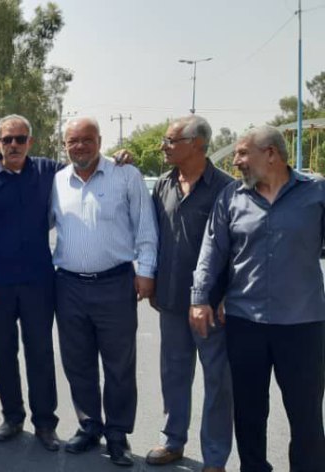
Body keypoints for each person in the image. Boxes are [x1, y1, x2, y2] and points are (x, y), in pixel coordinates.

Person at [192, 125, 325, 472]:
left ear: (270, 154)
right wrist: (200, 297)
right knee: (249, 412)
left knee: (306, 414)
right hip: (245, 322)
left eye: (242, 153)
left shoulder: (316, 193)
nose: (235, 161)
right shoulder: (231, 197)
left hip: (302, 323)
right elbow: (212, 251)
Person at [50, 117, 157, 467]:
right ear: (64, 145)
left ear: (99, 140)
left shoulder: (126, 175)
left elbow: (145, 226)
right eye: (73, 141)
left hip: (115, 284)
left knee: (119, 365)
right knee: (77, 362)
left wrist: (146, 271)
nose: (80, 146)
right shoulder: (57, 181)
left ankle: (118, 434)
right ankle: (89, 426)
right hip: (68, 286)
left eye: (87, 139)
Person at [0, 115, 61, 450]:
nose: (14, 145)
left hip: (38, 283)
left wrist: (117, 161)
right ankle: (13, 416)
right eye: (8, 140)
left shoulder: (48, 171)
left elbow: (85, 165)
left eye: (20, 139)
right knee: (3, 352)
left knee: (40, 353)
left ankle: (45, 423)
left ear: (30, 142)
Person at [146, 115, 233, 472]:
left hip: (212, 306)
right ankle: (173, 440)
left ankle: (215, 458)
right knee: (174, 375)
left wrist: (227, 296)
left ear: (197, 144)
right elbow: (152, 237)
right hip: (171, 301)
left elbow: (239, 248)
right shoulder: (163, 185)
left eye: (171, 140)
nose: (163, 146)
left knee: (218, 383)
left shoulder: (227, 189)